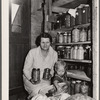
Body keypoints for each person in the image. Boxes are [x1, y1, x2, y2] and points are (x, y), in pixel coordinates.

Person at [23, 32, 58, 99]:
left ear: (50, 42)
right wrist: (31, 79)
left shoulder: (54, 54)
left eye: (47, 42)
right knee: (38, 93)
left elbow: (53, 69)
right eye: (43, 42)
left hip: (45, 80)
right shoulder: (32, 52)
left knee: (49, 93)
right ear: (39, 42)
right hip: (31, 79)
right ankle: (31, 97)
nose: (45, 45)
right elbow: (25, 69)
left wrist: (50, 74)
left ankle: (31, 97)